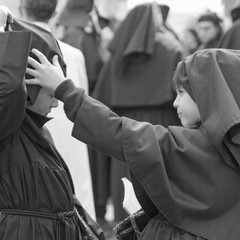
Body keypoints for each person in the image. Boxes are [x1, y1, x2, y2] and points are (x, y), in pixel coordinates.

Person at [26, 20, 240, 239]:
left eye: (181, 92)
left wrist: (64, 90)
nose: (175, 102)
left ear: (206, 93)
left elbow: (115, 131)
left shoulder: (185, 146)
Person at [0, 6, 104, 240]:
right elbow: (9, 89)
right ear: (28, 87)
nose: (56, 105)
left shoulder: (37, 130)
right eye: (50, 94)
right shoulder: (7, 127)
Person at [92, 2, 184, 223]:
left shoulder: (118, 55)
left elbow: (100, 97)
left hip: (123, 129)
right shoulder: (172, 48)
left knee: (124, 189)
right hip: (162, 128)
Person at [18, 0, 96, 220]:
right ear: (55, 12)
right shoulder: (74, 53)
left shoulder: (14, 50)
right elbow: (83, 97)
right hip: (70, 133)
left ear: (22, 8)